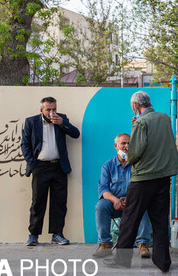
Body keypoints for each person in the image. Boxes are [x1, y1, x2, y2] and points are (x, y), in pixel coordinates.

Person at [104, 91, 178, 270]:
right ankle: (163, 262)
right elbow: (156, 141)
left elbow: (136, 152)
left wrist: (126, 155)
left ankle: (122, 260)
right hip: (163, 177)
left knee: (130, 219)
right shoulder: (164, 118)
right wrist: (136, 126)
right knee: (160, 221)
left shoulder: (140, 122)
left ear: (135, 107)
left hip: (143, 179)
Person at [21, 97, 80, 246]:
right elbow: (25, 145)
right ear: (41, 110)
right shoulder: (31, 122)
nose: (52, 112)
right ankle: (33, 235)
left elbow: (75, 133)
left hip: (59, 166)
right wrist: (32, 164)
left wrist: (62, 124)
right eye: (48, 109)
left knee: (59, 202)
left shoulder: (62, 119)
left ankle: (57, 234)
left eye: (54, 109)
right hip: (40, 167)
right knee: (38, 202)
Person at [94, 133, 152, 259]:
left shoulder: (138, 164)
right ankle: (104, 244)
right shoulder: (107, 166)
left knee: (144, 204)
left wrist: (131, 199)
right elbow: (103, 188)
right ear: (116, 146)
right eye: (123, 143)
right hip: (114, 203)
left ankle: (143, 244)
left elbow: (144, 186)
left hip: (134, 203)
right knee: (101, 206)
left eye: (129, 144)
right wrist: (115, 200)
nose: (126, 146)